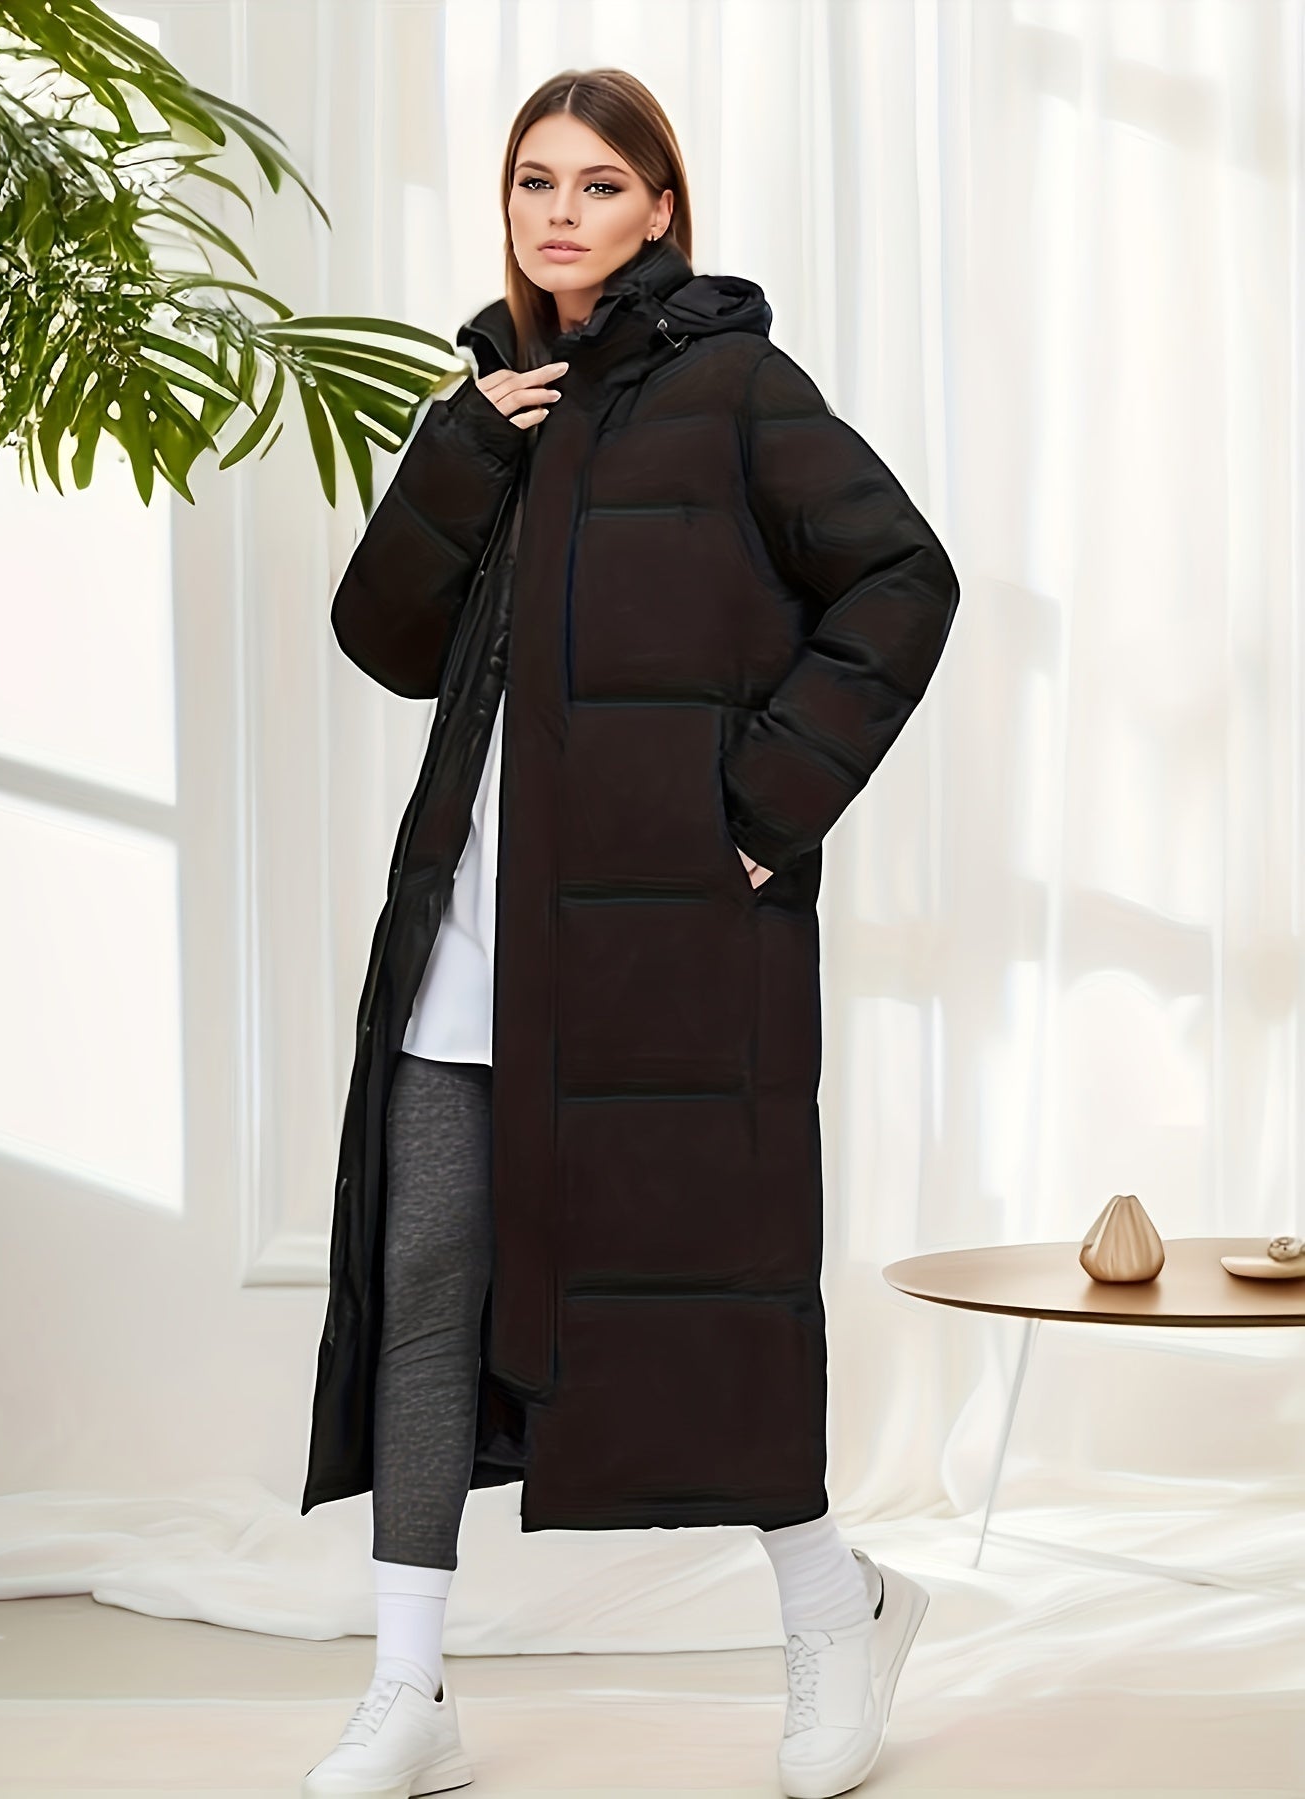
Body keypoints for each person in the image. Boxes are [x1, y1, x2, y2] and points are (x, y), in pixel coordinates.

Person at [303, 65, 959, 1799]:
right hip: (472, 925)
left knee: (707, 1287)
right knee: (425, 1282)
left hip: (659, 940)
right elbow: (383, 639)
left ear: (659, 207)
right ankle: (410, 1687)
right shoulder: (489, 405)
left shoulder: (732, 386)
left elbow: (900, 577)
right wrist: (464, 445)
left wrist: (756, 809)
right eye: (536, 181)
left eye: (599, 184)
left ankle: (836, 1612)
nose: (562, 212)